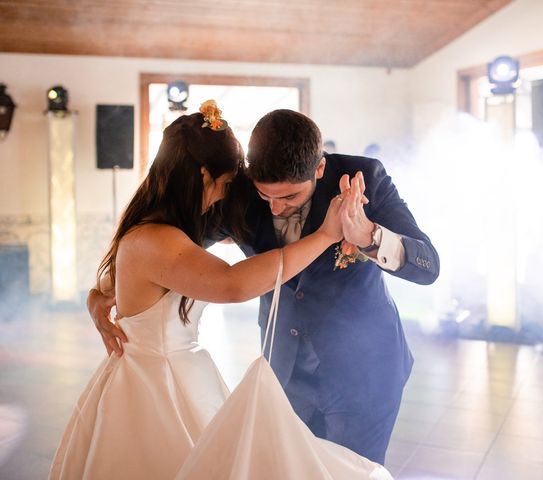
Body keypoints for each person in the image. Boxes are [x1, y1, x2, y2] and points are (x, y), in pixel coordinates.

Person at [51, 104, 388, 479]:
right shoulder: (156, 239)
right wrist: (326, 236)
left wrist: (96, 298)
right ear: (202, 175)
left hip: (189, 374)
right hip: (155, 388)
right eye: (226, 185)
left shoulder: (163, 232)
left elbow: (110, 283)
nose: (223, 198)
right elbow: (232, 284)